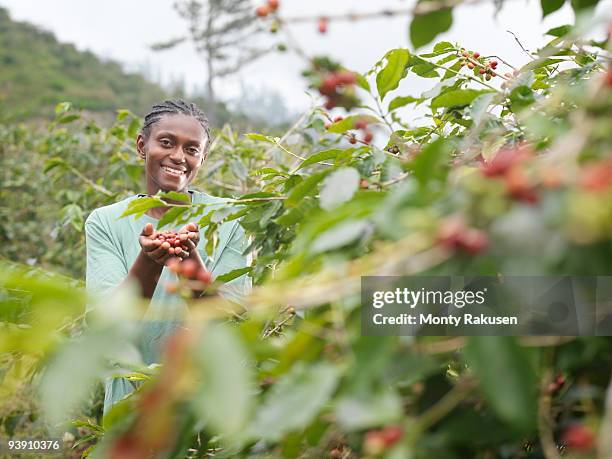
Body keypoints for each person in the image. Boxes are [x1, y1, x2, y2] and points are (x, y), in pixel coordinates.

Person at [84, 99, 251, 416]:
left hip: (208, 405)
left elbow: (231, 324)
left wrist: (189, 264)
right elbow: (107, 326)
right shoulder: (105, 222)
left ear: (202, 157)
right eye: (166, 142)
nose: (178, 157)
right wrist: (149, 261)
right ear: (141, 145)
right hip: (131, 403)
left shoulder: (231, 219)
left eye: (192, 149)